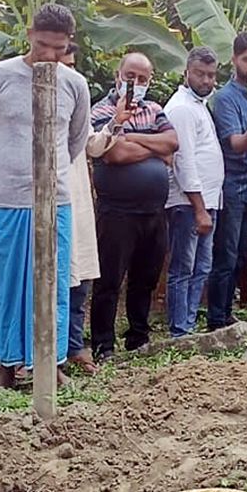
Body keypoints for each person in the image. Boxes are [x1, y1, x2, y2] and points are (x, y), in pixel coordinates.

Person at [0, 4, 90, 387]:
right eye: (43, 45)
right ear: (29, 36)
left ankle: (49, 360)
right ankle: (8, 363)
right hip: (9, 197)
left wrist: (47, 172)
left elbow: (76, 140)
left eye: (58, 49)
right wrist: (15, 167)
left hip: (55, 198)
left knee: (52, 281)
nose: (49, 56)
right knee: (8, 282)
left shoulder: (75, 84)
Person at [89, 51, 178, 359]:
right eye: (130, 77)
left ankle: (138, 337)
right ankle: (103, 344)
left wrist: (134, 139)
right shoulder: (102, 110)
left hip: (154, 211)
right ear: (118, 75)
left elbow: (172, 143)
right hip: (117, 212)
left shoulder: (155, 108)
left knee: (146, 277)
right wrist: (153, 146)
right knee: (109, 280)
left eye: (143, 79)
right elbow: (114, 154)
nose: (136, 83)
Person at [164, 46, 223, 337]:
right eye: (200, 74)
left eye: (211, 75)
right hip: (188, 203)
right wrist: (199, 208)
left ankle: (187, 322)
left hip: (207, 201)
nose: (207, 81)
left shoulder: (199, 105)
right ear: (186, 73)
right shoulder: (182, 108)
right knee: (183, 267)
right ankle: (179, 329)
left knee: (202, 266)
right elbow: (183, 161)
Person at [207, 32, 247, 331]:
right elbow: (237, 144)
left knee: (242, 254)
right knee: (226, 255)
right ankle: (217, 318)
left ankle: (228, 313)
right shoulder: (226, 98)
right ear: (235, 60)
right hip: (234, 186)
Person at [58, 43, 101, 374]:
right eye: (63, 64)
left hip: (79, 200)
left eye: (72, 64)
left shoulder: (77, 100)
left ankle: (74, 346)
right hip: (50, 200)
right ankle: (50, 351)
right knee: (54, 278)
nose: (69, 71)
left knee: (80, 276)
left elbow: (94, 145)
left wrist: (115, 124)